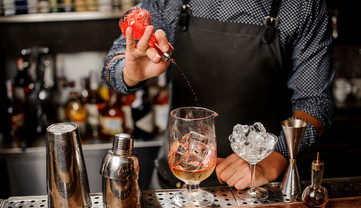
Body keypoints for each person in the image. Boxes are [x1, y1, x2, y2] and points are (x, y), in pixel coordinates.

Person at [101, 0, 335, 190]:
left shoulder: (303, 5)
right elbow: (113, 65)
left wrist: (275, 157)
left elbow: (315, 104)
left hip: (261, 191)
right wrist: (130, 72)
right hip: (177, 182)